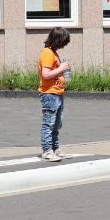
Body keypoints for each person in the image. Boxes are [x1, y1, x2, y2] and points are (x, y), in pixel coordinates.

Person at [36, 27, 71, 162]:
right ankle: (47, 150)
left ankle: (55, 148)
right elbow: (45, 74)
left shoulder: (53, 53)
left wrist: (62, 70)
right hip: (49, 94)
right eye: (63, 42)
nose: (64, 45)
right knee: (49, 123)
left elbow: (53, 72)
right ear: (57, 40)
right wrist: (61, 68)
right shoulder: (47, 53)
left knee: (57, 124)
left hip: (57, 93)